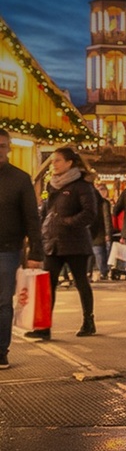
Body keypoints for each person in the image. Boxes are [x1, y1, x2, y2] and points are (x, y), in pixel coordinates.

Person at [26, 147, 97, 339]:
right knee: (48, 285)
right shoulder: (52, 185)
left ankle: (88, 321)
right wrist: (42, 228)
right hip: (53, 242)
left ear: (69, 163)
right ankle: (43, 328)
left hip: (75, 243)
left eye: (57, 160)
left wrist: (67, 222)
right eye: (52, 161)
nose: (54, 164)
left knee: (81, 282)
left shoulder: (82, 186)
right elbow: (47, 211)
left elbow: (90, 213)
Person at [0, 129, 44, 368]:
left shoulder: (19, 179)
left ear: (9, 148)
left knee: (3, 302)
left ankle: (1, 351)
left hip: (7, 250)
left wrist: (35, 252)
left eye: (2, 146)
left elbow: (31, 219)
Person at [89, 182, 113, 281]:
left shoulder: (103, 203)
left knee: (99, 252)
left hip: (100, 232)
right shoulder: (102, 203)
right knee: (98, 252)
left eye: (103, 189)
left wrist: (108, 233)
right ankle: (102, 272)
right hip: (97, 231)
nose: (102, 192)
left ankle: (102, 272)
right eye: (100, 190)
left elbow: (107, 219)